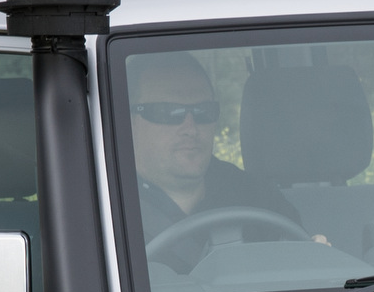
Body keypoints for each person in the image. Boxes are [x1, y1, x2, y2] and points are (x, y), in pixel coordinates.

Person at [125, 53, 292, 262]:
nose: (190, 128)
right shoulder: (103, 203)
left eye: (203, 111)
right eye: (168, 112)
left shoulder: (259, 199)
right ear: (127, 119)